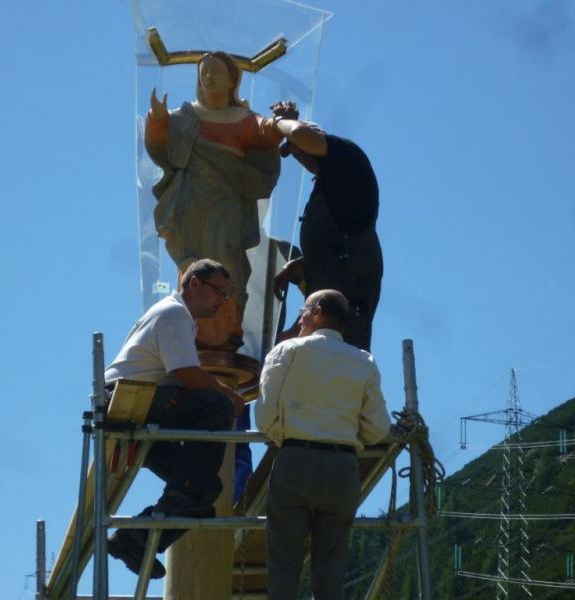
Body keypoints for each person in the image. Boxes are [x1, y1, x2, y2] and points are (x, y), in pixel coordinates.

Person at [104, 259, 245, 578]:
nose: (221, 300)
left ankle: (135, 538)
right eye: (218, 291)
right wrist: (230, 394)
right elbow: (189, 376)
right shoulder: (174, 314)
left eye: (224, 294)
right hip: (129, 397)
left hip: (140, 404)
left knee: (204, 488)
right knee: (217, 406)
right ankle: (140, 534)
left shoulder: (177, 317)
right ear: (194, 283)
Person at [254, 290, 391, 600]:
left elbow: (263, 416)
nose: (300, 318)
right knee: (331, 571)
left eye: (303, 311)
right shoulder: (364, 361)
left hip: (294, 460)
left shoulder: (287, 350)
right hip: (342, 467)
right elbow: (378, 428)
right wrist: (348, 437)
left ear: (317, 312)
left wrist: (285, 435)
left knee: (283, 566)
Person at [146, 51, 283, 350]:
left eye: (216, 71)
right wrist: (157, 120)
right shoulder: (185, 117)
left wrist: (281, 124)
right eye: (204, 72)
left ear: (232, 80)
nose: (208, 77)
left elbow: (266, 134)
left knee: (227, 260)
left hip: (227, 204)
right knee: (192, 267)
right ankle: (191, 331)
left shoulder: (243, 118)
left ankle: (226, 331)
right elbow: (161, 149)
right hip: (190, 205)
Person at [271, 101, 382, 351]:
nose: (299, 156)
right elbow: (338, 243)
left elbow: (300, 134)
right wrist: (302, 265)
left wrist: (279, 123)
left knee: (315, 354)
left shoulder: (345, 155)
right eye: (294, 152)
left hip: (342, 318)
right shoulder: (331, 187)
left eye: (300, 149)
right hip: (331, 305)